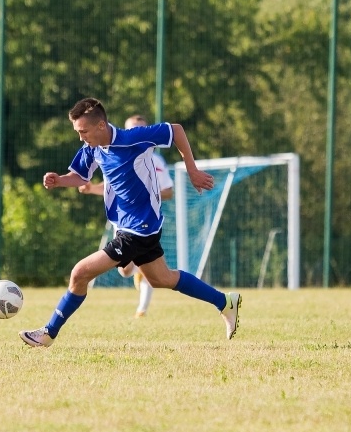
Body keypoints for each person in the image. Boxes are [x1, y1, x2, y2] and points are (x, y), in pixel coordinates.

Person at [19, 97, 241, 347]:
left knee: (79, 274)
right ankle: (225, 302)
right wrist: (59, 180)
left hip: (139, 228)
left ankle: (48, 333)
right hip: (134, 227)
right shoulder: (93, 148)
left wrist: (192, 170)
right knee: (161, 279)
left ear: (101, 125)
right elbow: (79, 175)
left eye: (83, 131)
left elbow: (176, 130)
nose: (81, 137)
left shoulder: (132, 139)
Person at [79, 114, 174, 317]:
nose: (135, 133)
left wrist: (147, 191)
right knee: (125, 270)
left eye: (140, 128)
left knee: (151, 270)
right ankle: (141, 273)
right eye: (132, 128)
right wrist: (91, 189)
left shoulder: (155, 160)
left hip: (144, 220)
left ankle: (142, 308)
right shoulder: (113, 151)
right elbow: (112, 185)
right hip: (121, 219)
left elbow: (168, 191)